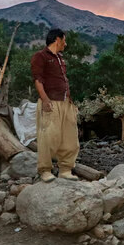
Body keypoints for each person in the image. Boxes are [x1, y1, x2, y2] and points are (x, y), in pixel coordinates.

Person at [30, 29, 79, 182]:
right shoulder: (41, 56)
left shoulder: (60, 58)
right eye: (64, 40)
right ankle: (45, 171)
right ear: (57, 39)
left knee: (70, 138)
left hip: (65, 103)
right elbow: (38, 80)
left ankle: (65, 170)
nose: (66, 43)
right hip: (51, 102)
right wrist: (45, 100)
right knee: (48, 137)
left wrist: (70, 102)